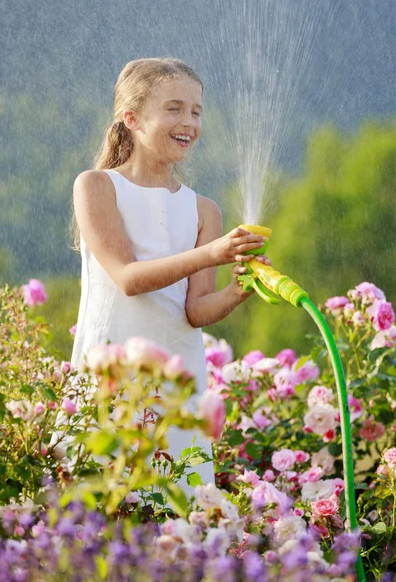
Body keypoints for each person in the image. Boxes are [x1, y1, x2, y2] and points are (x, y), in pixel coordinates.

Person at [69, 57, 270, 487]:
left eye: (196, 111)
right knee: (104, 507)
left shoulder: (203, 210)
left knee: (178, 511)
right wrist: (213, 253)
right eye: (175, 108)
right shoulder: (97, 186)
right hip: (114, 373)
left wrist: (238, 290)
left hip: (179, 385)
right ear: (133, 119)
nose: (190, 122)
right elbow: (128, 278)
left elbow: (195, 310)